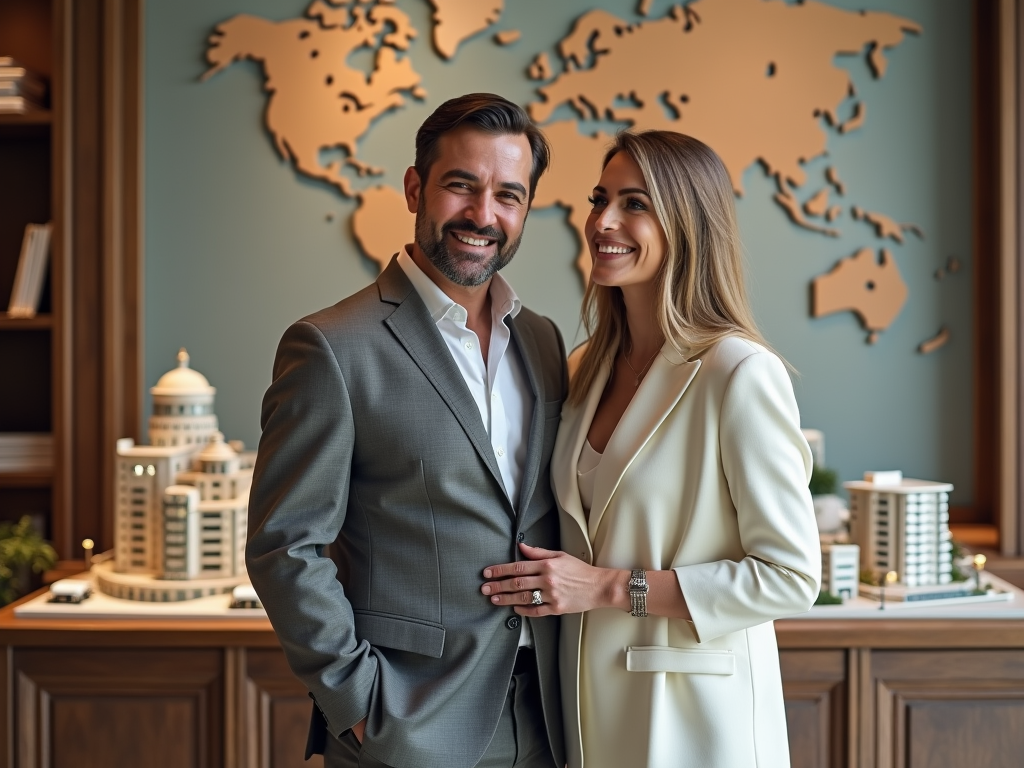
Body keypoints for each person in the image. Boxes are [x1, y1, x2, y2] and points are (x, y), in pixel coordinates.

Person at [480, 130, 821, 768]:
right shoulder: (582, 369)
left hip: (693, 722)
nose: (603, 221)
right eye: (600, 198)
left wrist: (610, 588)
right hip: (586, 715)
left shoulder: (737, 372)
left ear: (687, 225)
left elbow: (791, 578)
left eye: (635, 203)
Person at [246, 93, 568, 768]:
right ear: (416, 188)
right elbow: (286, 547)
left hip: (546, 724)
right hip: (406, 728)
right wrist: (362, 707)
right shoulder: (332, 346)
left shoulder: (541, 342)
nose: (484, 215)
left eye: (509, 195)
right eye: (462, 186)